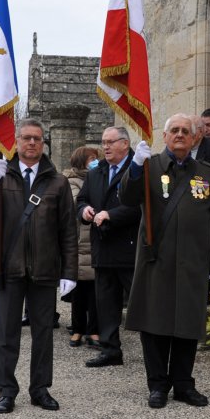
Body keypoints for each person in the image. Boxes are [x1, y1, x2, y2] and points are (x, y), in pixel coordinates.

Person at [120, 113, 210, 409]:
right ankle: (157, 385)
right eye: (175, 131)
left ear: (196, 137)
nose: (180, 135)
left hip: (193, 262)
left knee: (187, 324)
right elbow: (128, 199)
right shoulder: (149, 166)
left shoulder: (208, 173)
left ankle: (183, 383)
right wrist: (134, 167)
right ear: (166, 136)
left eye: (186, 131)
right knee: (154, 324)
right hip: (156, 260)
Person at [0, 119, 78, 414]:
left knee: (43, 334)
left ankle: (40, 389)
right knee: (7, 334)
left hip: (45, 270)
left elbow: (68, 231)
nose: (32, 143)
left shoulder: (56, 182)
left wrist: (69, 272)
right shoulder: (2, 176)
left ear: (43, 143)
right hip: (10, 268)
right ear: (17, 142)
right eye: (26, 138)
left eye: (37, 139)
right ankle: (6, 391)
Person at [76, 126, 141, 367]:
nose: (105, 147)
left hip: (130, 248)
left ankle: (154, 350)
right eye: (103, 142)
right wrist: (84, 210)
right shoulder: (96, 172)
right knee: (106, 304)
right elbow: (81, 199)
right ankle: (110, 350)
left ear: (125, 144)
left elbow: (141, 205)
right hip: (102, 248)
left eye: (111, 142)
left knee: (140, 302)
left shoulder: (138, 168)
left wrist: (111, 215)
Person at [62, 145, 101, 348]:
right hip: (80, 241)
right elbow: (77, 202)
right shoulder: (71, 181)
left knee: (95, 290)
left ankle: (94, 330)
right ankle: (77, 328)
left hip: (96, 241)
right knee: (79, 290)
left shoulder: (99, 177)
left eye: (97, 158)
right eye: (91, 158)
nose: (95, 161)